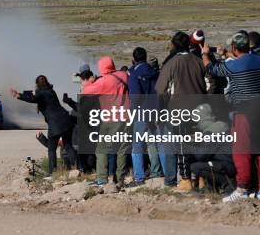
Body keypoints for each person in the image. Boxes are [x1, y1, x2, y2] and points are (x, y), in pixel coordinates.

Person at [202, 31, 260, 202]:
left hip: (244, 112)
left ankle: (242, 188)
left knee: (241, 151)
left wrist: (205, 53)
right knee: (258, 151)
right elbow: (243, 59)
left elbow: (212, 68)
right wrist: (226, 54)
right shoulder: (259, 60)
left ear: (234, 47)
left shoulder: (235, 66)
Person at [156, 31, 207, 190]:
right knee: (198, 144)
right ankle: (201, 178)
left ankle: (186, 180)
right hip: (200, 108)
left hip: (178, 109)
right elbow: (210, 84)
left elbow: (160, 89)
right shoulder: (198, 61)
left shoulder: (171, 63)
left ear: (174, 45)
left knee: (182, 146)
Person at [11, 75, 76, 178]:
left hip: (56, 124)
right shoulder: (51, 91)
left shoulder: (41, 93)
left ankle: (52, 173)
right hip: (66, 120)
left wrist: (18, 95)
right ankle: (76, 169)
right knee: (68, 146)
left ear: (37, 84)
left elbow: (33, 99)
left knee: (51, 149)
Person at [82, 56, 130, 192]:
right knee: (122, 149)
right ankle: (120, 180)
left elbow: (86, 92)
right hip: (125, 117)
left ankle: (102, 179)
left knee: (102, 149)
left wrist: (90, 82)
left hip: (109, 119)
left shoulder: (102, 82)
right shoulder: (123, 75)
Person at [128, 47, 159, 186]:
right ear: (145, 57)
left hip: (141, 111)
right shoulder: (155, 72)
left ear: (134, 59)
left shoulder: (134, 74)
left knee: (137, 145)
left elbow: (135, 96)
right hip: (155, 109)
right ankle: (157, 172)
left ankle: (139, 177)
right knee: (154, 142)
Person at [190, 104, 236, 193]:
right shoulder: (221, 126)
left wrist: (193, 145)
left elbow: (201, 156)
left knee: (196, 167)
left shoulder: (210, 132)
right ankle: (211, 188)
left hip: (227, 165)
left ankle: (228, 184)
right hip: (230, 163)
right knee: (208, 161)